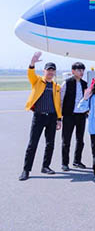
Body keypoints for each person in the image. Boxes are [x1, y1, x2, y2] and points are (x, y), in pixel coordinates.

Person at [19, 52, 62, 181]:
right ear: (44, 71)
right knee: (33, 144)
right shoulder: (37, 81)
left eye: (52, 70)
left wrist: (59, 119)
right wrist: (32, 63)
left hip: (52, 117)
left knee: (50, 144)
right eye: (48, 70)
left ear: (54, 73)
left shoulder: (56, 86)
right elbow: (30, 74)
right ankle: (26, 170)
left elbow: (58, 104)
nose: (50, 72)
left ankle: (46, 166)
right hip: (39, 117)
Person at [60, 61, 87, 171]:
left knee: (80, 140)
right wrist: (59, 116)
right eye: (79, 70)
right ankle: (64, 163)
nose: (81, 72)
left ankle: (77, 161)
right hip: (69, 115)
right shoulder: (67, 83)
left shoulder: (84, 84)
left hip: (81, 115)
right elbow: (61, 99)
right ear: (73, 71)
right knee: (66, 140)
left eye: (82, 70)